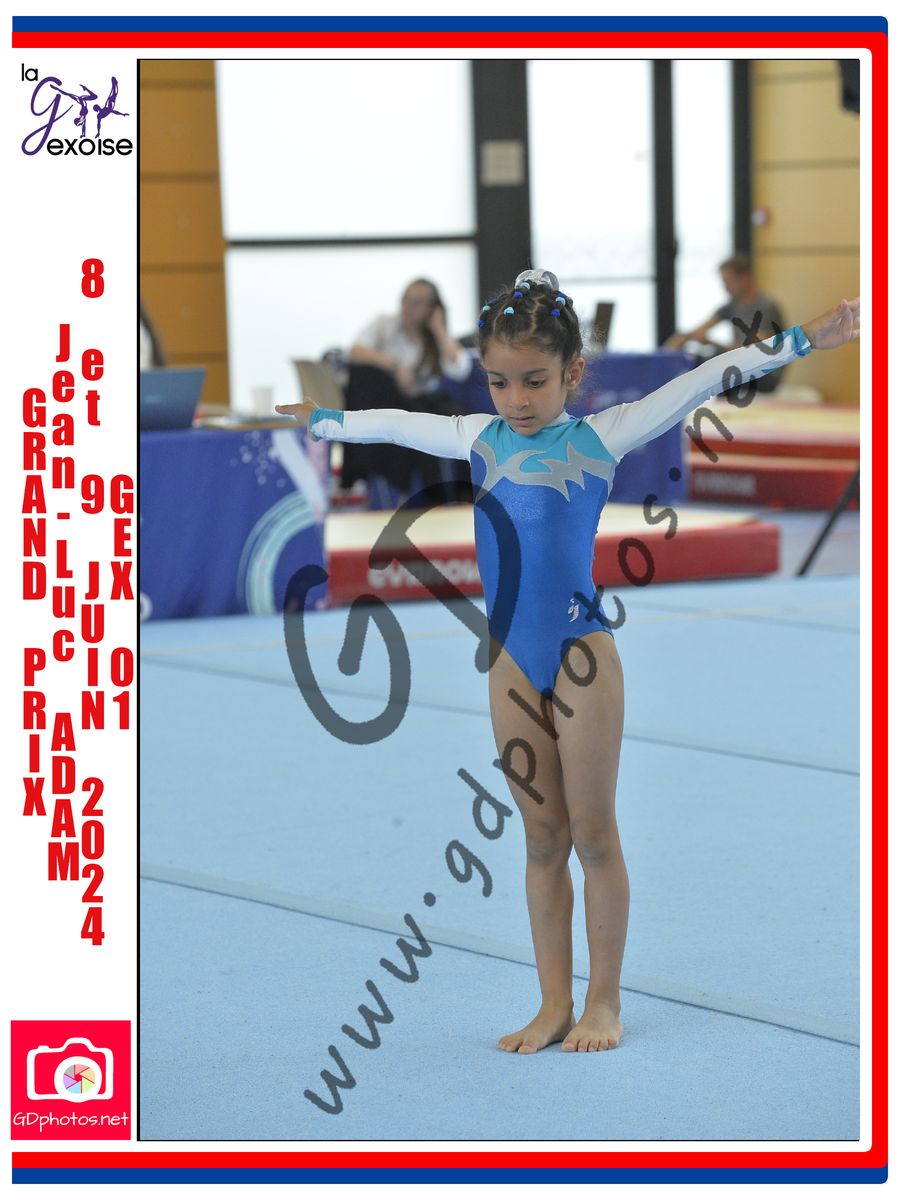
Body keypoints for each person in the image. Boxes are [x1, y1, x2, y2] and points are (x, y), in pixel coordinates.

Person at [276, 270, 859, 1054]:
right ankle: (553, 1003)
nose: (516, 400)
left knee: (594, 835)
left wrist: (807, 338)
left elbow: (707, 378)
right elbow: (400, 424)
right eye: (499, 382)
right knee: (542, 838)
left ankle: (603, 1002)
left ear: (572, 372)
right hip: (510, 661)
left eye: (534, 381)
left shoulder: (601, 435)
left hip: (582, 654)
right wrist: (326, 420)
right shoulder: (476, 436)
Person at [343, 279, 474, 502]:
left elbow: (460, 369)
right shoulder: (385, 324)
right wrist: (394, 366)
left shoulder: (434, 337)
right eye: (405, 300)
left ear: (432, 308)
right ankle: (363, 472)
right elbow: (354, 351)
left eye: (417, 303)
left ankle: (455, 493)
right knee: (362, 375)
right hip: (388, 399)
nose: (407, 307)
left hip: (424, 401)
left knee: (449, 417)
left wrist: (438, 328)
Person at [665, 254, 787, 392]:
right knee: (698, 359)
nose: (725, 287)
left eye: (728, 281)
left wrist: (711, 342)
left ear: (744, 278)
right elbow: (700, 329)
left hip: (766, 373)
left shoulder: (766, 306)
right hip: (744, 368)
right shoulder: (732, 305)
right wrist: (678, 342)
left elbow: (755, 348)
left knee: (714, 360)